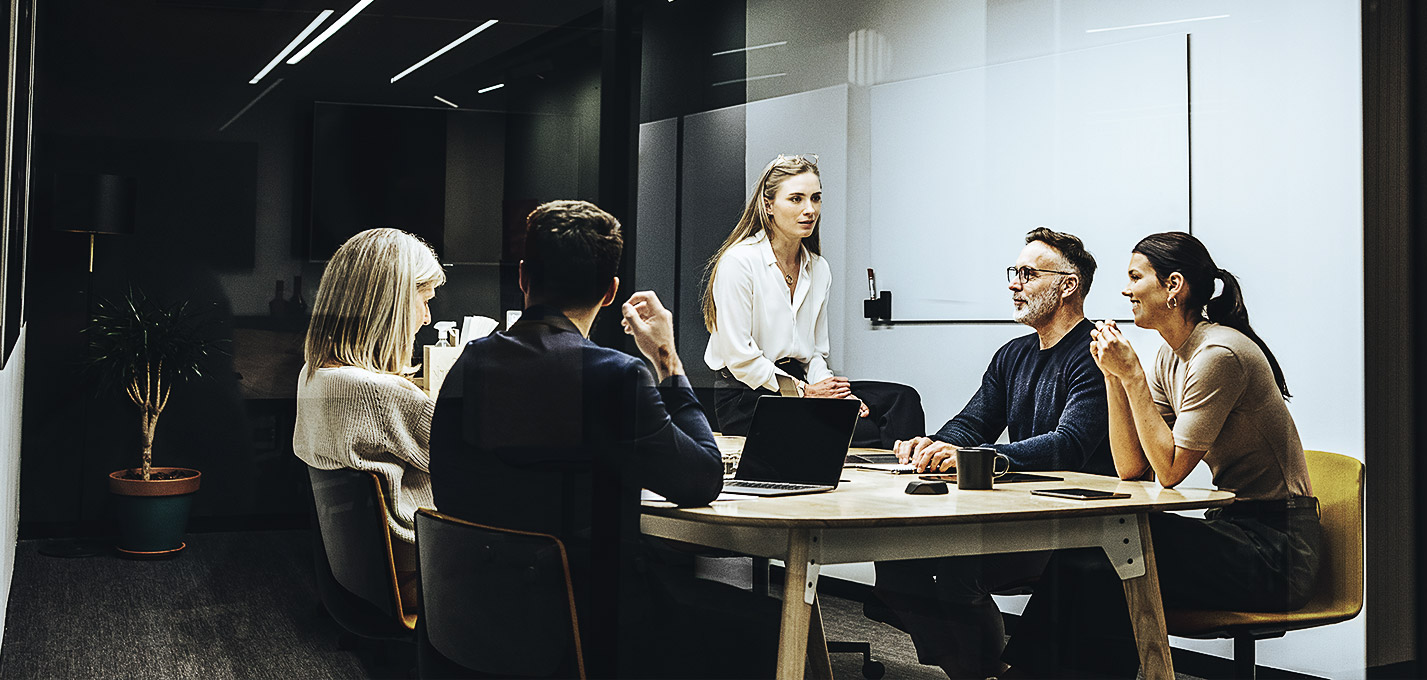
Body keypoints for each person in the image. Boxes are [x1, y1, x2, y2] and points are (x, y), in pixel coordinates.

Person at [431, 200, 778, 679]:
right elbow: (701, 479)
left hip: (472, 615)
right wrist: (667, 360)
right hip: (588, 622)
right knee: (775, 626)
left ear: (523, 276)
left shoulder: (468, 365)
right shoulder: (613, 376)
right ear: (612, 291)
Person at [1002, 231, 1320, 678]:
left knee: (1111, 555)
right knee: (1094, 555)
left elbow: (1168, 473)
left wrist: (1131, 376)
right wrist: (1113, 377)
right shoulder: (1172, 358)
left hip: (1277, 551)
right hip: (1234, 531)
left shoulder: (1218, 354)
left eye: (1135, 277)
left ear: (1173, 286)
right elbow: (1133, 467)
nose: (1125, 289)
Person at [874, 227, 1115, 679]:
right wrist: (935, 445)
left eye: (1027, 273)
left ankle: (987, 671)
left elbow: (1070, 445)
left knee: (960, 573)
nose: (1013, 282)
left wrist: (980, 457)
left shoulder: (1095, 353)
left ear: (1067, 285)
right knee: (895, 564)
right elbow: (972, 423)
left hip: (1069, 527)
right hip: (1014, 514)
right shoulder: (1012, 355)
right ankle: (982, 672)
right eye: (1014, 271)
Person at [705, 154, 919, 441]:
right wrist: (806, 393)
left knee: (902, 400)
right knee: (862, 430)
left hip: (802, 386)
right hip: (748, 395)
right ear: (768, 205)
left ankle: (911, 472)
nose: (810, 210)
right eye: (796, 199)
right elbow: (739, 359)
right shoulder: (739, 262)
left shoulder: (817, 267)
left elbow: (814, 353)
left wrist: (836, 395)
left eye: (815, 198)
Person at [293, 227, 445, 610]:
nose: (427, 318)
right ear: (389, 306)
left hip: (363, 574)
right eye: (423, 301)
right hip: (422, 572)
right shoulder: (379, 394)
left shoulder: (314, 373)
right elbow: (468, 458)